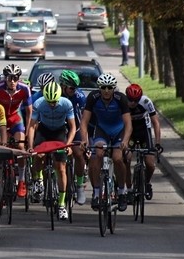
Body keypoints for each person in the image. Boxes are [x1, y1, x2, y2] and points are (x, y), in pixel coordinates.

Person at [79, 73, 132, 212]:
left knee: (117, 158)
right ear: (99, 88)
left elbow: (128, 124)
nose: (106, 90)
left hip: (118, 131)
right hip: (101, 130)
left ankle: (121, 192)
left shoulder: (121, 99)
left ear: (114, 88)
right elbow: (84, 122)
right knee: (97, 154)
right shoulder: (93, 97)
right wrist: (84, 140)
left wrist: (125, 141)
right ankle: (96, 193)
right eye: (103, 87)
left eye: (109, 88)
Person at [26, 81, 77, 219]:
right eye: (49, 102)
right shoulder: (39, 104)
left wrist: (68, 145)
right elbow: (31, 127)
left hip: (59, 132)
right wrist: (31, 147)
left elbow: (72, 127)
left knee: (60, 168)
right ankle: (39, 179)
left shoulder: (66, 104)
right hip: (44, 131)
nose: (52, 104)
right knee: (38, 155)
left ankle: (61, 205)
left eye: (54, 102)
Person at [0, 64, 33, 196]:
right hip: (1, 119)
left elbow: (29, 112)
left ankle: (21, 180)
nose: (12, 81)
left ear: (19, 78)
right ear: (5, 78)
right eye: (9, 78)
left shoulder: (24, 89)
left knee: (20, 146)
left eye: (15, 78)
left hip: (15, 118)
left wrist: (27, 133)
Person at [124, 83, 162, 202]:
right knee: (126, 158)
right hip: (130, 132)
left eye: (136, 100)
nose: (133, 103)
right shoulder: (123, 103)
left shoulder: (146, 102)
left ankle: (147, 182)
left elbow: (155, 122)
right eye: (130, 100)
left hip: (143, 130)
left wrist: (157, 143)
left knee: (150, 163)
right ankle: (129, 190)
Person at [59, 69, 89, 205]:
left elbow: (84, 120)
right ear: (63, 85)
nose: (74, 90)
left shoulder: (80, 96)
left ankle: (79, 185)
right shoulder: (56, 94)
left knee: (78, 153)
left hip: (75, 126)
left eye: (75, 88)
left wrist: (85, 140)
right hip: (60, 127)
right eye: (71, 88)